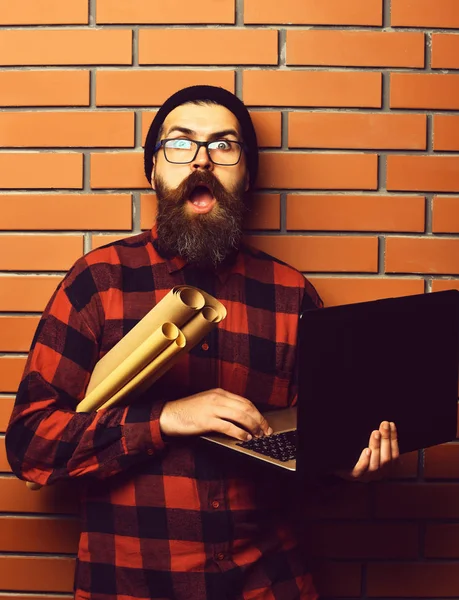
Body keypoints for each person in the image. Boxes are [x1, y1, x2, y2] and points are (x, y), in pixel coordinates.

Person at [6, 86, 399, 600]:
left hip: (269, 585)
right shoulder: (97, 282)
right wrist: (166, 418)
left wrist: (346, 466)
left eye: (223, 146)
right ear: (152, 170)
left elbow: (309, 452)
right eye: (180, 144)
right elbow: (30, 444)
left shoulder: (290, 293)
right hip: (130, 585)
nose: (201, 160)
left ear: (248, 175)